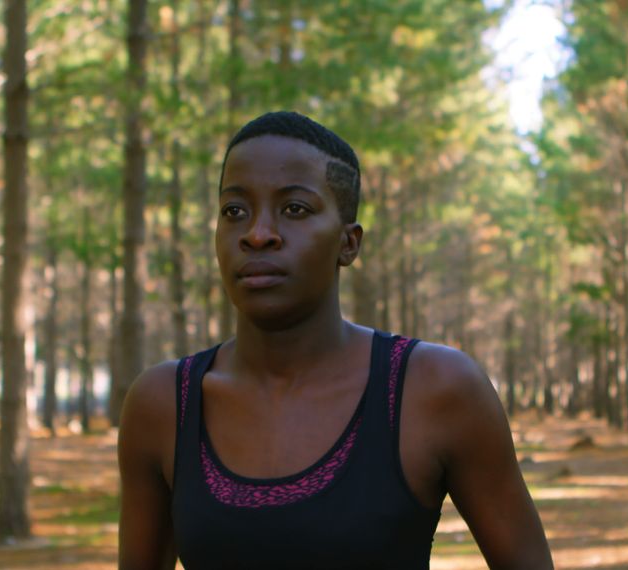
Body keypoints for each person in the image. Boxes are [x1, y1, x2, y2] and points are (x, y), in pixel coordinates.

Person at [118, 111, 553, 569]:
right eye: (234, 211)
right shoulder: (164, 403)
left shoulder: (434, 389)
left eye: (295, 209)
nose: (258, 234)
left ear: (349, 243)